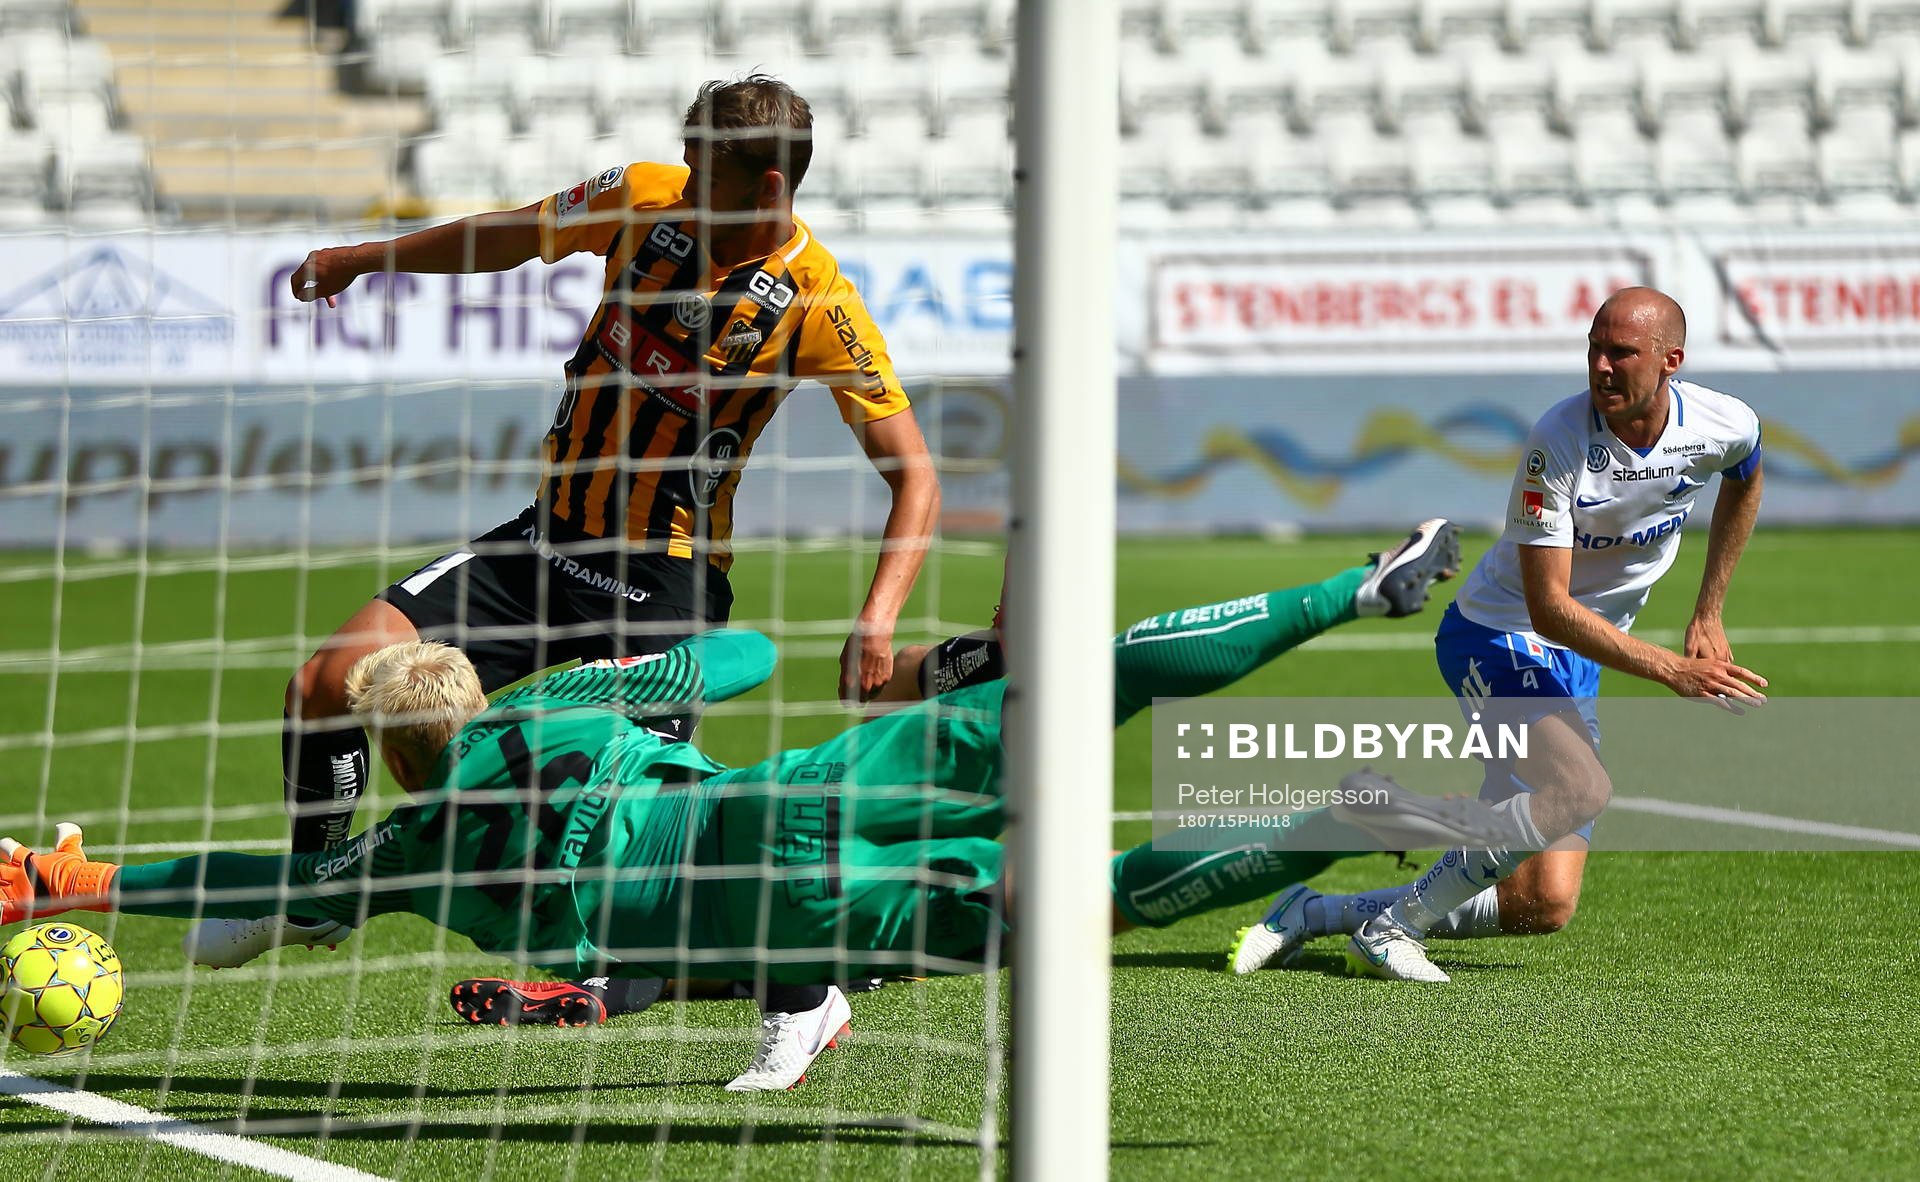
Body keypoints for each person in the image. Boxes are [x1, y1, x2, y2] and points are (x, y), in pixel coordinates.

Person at [4, 531, 1506, 1089]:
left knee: (1081, 910)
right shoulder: (558, 707)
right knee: (1088, 680)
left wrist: (81, 885)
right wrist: (630, 661)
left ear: (402, 749)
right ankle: (1351, 590)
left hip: (785, 906)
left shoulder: (413, 837)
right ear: (477, 694)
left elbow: (265, 888)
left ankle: (1319, 822)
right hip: (795, 794)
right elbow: (751, 649)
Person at [193, 74, 939, 971]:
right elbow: (506, 237)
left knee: (617, 835)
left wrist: (879, 616)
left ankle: (806, 997)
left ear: (770, 187)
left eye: (710, 180)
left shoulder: (820, 305)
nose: (689, 191)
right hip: (543, 544)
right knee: (325, 685)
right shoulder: (640, 196)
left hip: (663, 584)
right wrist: (369, 256)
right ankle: (316, 895)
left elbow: (916, 477)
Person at [442, 518, 1473, 1024]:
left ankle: (1324, 809)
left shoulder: (985, 663)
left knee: (1067, 892)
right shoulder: (972, 663)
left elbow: (857, 711)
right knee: (1099, 713)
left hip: (864, 850)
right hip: (876, 834)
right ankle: (1350, 611)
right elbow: (871, 704)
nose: (1002, 614)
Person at [1230, 287, 1769, 982]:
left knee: (1544, 902)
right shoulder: (1560, 440)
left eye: (1621, 352)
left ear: (1672, 361)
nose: (1601, 366)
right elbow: (1547, 609)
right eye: (1593, 349)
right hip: (1497, 634)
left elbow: (1746, 477)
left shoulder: (1725, 423)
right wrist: (1672, 669)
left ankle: (1315, 913)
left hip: (1577, 657)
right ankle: (1394, 929)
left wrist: (1710, 611)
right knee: (1581, 788)